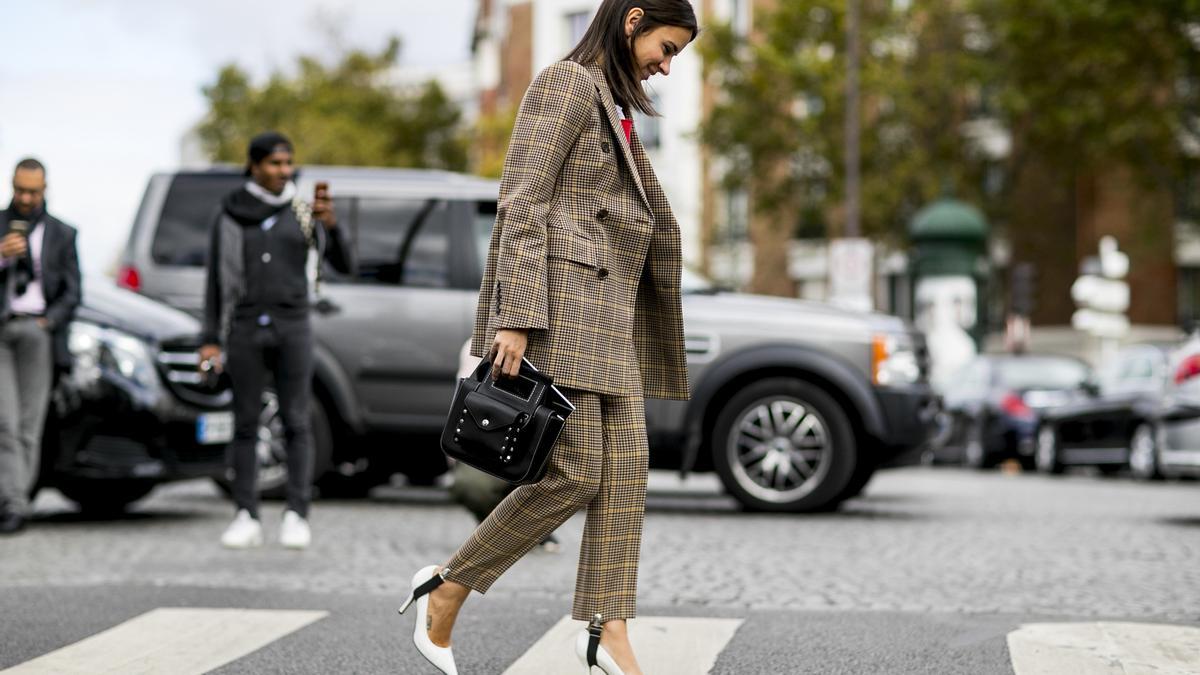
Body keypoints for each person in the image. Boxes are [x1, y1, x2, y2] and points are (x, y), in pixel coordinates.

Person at [397, 2, 697, 673]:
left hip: (612, 320)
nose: (668, 65)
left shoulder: (616, 105)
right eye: (667, 46)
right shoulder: (566, 84)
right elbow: (522, 197)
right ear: (633, 19)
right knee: (573, 471)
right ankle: (446, 587)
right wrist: (516, 313)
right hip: (563, 312)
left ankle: (607, 628)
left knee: (624, 479)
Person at [199, 132, 353, 550]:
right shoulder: (230, 212)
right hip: (245, 327)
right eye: (274, 164)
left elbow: (343, 263)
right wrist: (210, 340)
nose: (283, 171)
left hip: (293, 325)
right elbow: (215, 280)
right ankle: (245, 514)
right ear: (254, 166)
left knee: (296, 420)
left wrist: (331, 226)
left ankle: (296, 514)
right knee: (246, 422)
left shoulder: (302, 211)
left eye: (287, 164)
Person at [0, 158, 81, 534]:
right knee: (5, 422)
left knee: (30, 423)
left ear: (44, 189)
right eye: (20, 189)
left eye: (33, 191)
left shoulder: (63, 233)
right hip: (2, 328)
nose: (26, 198)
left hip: (37, 331)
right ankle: (12, 502)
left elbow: (72, 290)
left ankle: (18, 501)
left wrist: (50, 321)